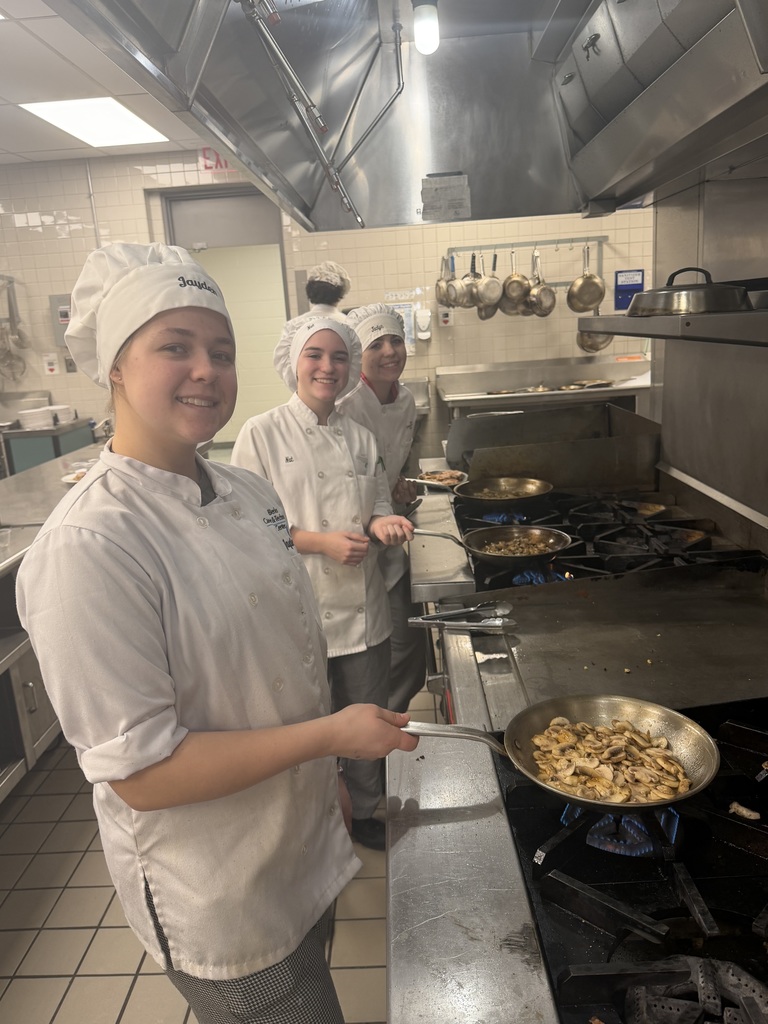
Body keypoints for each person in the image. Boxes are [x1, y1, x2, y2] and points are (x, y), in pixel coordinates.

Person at [15, 242, 418, 1024]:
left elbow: (276, 661)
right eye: (176, 347)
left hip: (296, 841)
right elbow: (142, 773)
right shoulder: (90, 545)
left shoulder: (243, 492)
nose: (206, 369)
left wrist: (321, 770)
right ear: (116, 368)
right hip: (219, 887)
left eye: (222, 351)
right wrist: (328, 735)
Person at [231, 315, 415, 851]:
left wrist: (384, 523)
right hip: (298, 613)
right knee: (308, 731)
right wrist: (320, 542)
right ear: (294, 362)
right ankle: (314, 826)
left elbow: (377, 501)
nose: (327, 367)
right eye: (315, 355)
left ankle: (361, 816)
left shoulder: (359, 437)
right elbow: (245, 527)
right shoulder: (261, 433)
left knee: (366, 723)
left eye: (338, 357)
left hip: (363, 612)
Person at [338, 303, 428, 714]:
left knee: (406, 643)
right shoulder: (346, 404)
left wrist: (397, 485)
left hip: (389, 536)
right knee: (367, 651)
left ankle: (389, 718)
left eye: (396, 340)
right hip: (350, 543)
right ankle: (370, 729)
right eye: (377, 344)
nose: (390, 351)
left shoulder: (406, 400)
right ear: (360, 353)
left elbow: (383, 465)